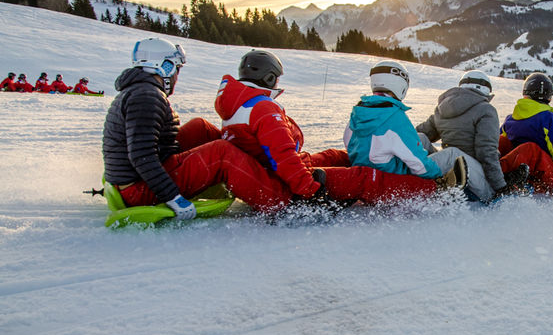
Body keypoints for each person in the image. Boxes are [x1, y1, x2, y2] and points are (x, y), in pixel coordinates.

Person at [215, 51, 461, 206]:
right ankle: (437, 189)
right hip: (282, 184)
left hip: (273, 172)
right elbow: (282, 157)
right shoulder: (262, 109)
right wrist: (310, 190)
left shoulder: (239, 106)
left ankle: (332, 170)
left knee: (337, 156)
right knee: (365, 177)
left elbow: (348, 143)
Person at [103, 37, 299, 219]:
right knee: (222, 153)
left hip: (140, 178)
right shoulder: (146, 97)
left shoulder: (141, 91)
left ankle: (251, 168)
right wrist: (173, 198)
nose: (177, 76)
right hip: (141, 190)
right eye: (176, 69)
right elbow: (141, 155)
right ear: (165, 66)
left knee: (200, 127)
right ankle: (279, 201)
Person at [345, 61, 467, 184]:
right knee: (452, 154)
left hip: (368, 174)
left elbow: (349, 145)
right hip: (394, 179)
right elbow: (419, 164)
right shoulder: (395, 118)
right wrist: (437, 175)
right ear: (400, 85)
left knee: (421, 138)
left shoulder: (358, 112)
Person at [416, 70, 528, 201]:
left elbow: (416, 134)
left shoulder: (441, 108)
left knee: (420, 138)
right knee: (453, 154)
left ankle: (413, 175)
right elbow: (486, 151)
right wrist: (500, 187)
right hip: (475, 181)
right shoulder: (486, 110)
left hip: (451, 170)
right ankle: (415, 179)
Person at [499, 72, 553, 193]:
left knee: (506, 142)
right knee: (526, 148)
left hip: (528, 174)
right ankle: (495, 173)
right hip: (550, 180)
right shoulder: (551, 120)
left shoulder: (511, 119)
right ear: (549, 96)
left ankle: (491, 171)